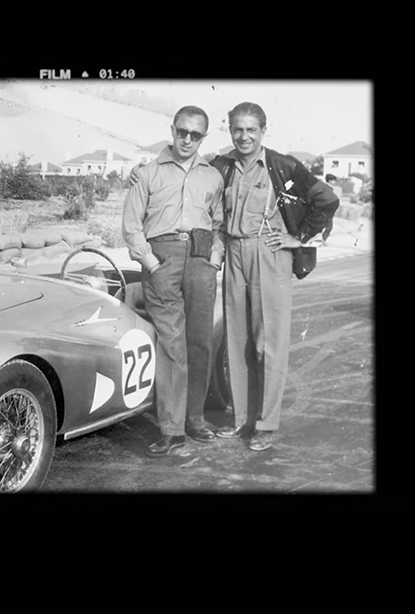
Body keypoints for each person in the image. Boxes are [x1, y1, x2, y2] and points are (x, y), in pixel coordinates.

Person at [209, 102, 338, 451]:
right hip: (234, 253)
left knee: (268, 343)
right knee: (237, 341)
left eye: (251, 130)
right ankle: (241, 419)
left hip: (270, 254)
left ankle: (266, 424)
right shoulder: (221, 165)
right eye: (238, 129)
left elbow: (326, 200)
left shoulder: (283, 166)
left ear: (264, 131)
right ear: (230, 130)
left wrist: (299, 237)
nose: (244, 136)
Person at [122, 106, 225, 457]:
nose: (187, 139)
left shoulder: (213, 176)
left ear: (203, 137)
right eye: (182, 132)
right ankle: (171, 429)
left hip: (201, 259)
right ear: (173, 130)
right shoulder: (147, 173)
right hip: (161, 259)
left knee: (200, 342)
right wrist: (150, 262)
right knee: (171, 344)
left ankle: (195, 419)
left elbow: (220, 224)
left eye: (195, 134)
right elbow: (132, 225)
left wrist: (214, 261)